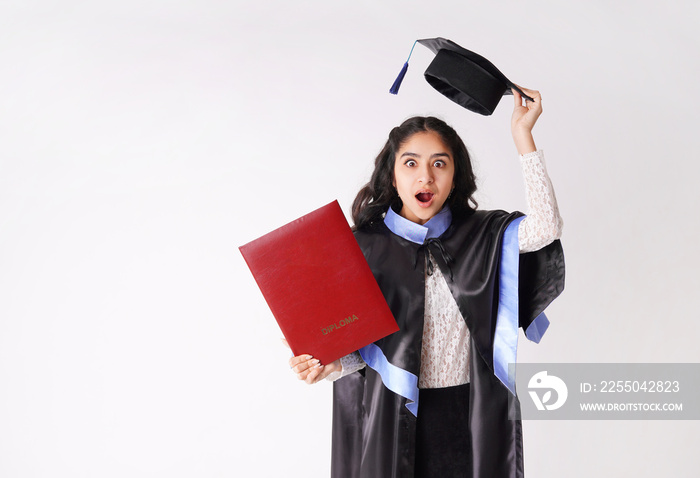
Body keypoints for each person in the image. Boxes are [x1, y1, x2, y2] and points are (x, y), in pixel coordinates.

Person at [288, 87, 564, 478]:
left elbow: (546, 228)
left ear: (455, 176)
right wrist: (328, 363)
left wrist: (523, 136)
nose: (426, 176)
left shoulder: (482, 234)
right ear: (393, 176)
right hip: (392, 413)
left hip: (468, 413)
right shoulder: (360, 247)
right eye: (411, 163)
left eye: (440, 164)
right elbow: (366, 353)